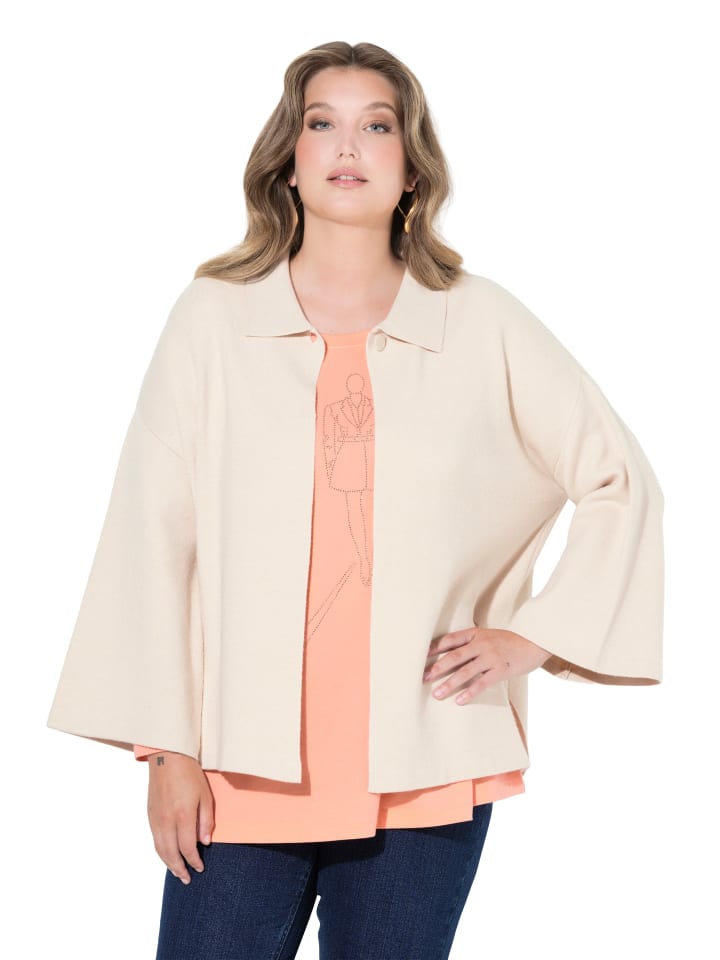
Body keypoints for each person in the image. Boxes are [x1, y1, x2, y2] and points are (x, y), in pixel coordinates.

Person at [46, 40, 664, 960]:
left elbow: (618, 479)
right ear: (288, 162)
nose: (348, 145)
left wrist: (534, 636)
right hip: (240, 768)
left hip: (425, 762)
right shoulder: (212, 319)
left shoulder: (479, 319)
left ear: (411, 168)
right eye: (321, 123)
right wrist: (167, 752)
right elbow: (152, 537)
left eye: (377, 126)